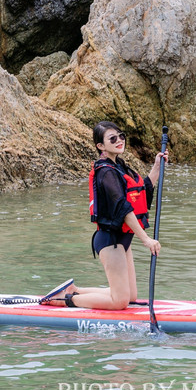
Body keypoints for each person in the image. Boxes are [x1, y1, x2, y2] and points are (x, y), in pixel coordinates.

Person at [41, 121, 168, 311]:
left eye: (121, 136)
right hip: (110, 241)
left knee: (130, 297)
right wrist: (146, 240)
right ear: (101, 146)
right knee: (120, 302)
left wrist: (157, 167)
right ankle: (65, 300)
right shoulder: (106, 172)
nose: (119, 141)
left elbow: (141, 191)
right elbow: (123, 208)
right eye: (113, 139)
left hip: (123, 240)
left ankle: (74, 290)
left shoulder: (120, 166)